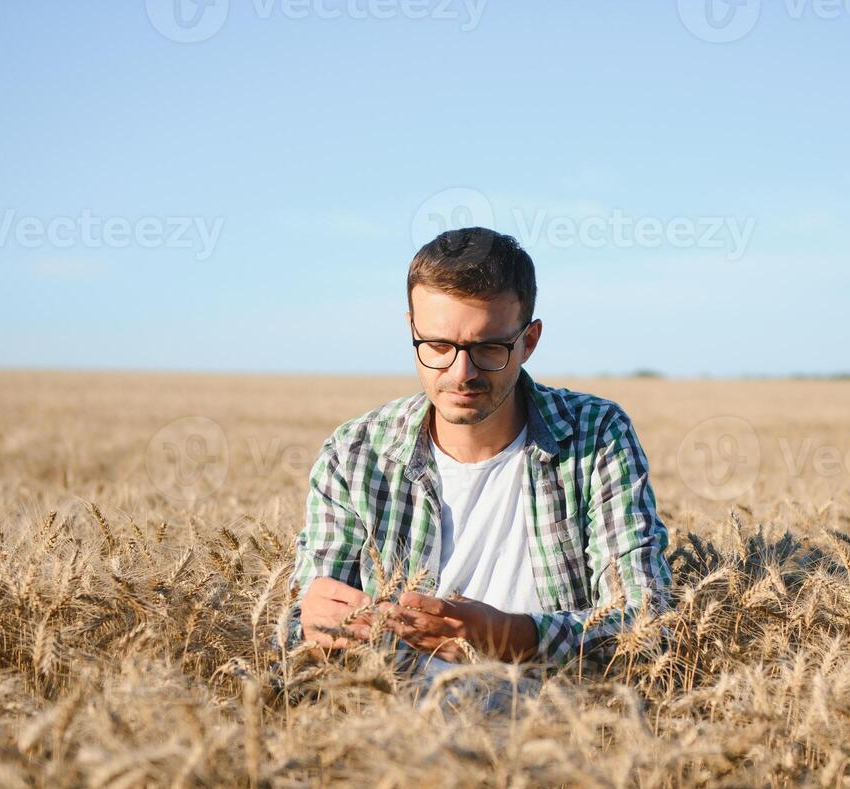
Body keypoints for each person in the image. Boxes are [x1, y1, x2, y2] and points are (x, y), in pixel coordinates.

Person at [283, 226, 673, 689]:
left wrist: (513, 636)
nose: (461, 373)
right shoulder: (353, 455)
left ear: (529, 341)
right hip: (391, 738)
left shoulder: (596, 437)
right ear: (412, 330)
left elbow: (648, 623)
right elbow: (293, 633)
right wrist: (308, 624)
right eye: (439, 346)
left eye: (489, 347)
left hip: (567, 734)